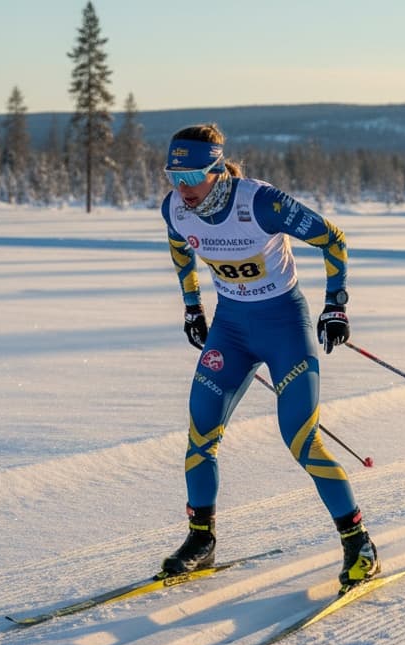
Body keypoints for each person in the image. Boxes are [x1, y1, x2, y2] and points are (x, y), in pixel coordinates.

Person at [158, 123, 380, 592]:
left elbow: (333, 239)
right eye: (173, 178)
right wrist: (193, 307)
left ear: (217, 170)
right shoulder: (175, 209)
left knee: (301, 440)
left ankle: (358, 543)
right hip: (231, 332)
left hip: (284, 329)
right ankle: (201, 539)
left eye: (191, 177)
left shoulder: (260, 203)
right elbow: (180, 251)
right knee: (201, 433)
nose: (183, 189)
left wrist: (336, 306)